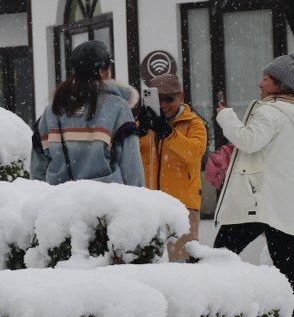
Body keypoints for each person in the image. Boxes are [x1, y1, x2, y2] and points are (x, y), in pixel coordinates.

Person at [212, 52, 294, 316]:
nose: (260, 83)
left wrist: (226, 116)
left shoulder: (272, 112)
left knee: (220, 254)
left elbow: (249, 141)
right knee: (285, 260)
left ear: (279, 84)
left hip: (260, 200)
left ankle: (218, 308)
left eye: (265, 79)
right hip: (283, 202)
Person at [30, 40, 144, 186]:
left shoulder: (53, 109)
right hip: (105, 200)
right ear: (103, 71)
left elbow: (38, 166)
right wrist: (137, 196)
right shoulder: (117, 107)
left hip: (59, 200)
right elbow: (131, 164)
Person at [137, 74, 207, 261]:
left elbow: (194, 153)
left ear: (181, 97)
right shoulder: (145, 124)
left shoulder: (194, 123)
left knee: (182, 263)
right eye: (158, 99)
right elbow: (131, 155)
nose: (164, 104)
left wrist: (168, 133)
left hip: (182, 208)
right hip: (148, 206)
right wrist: (140, 132)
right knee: (147, 263)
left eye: (169, 99)